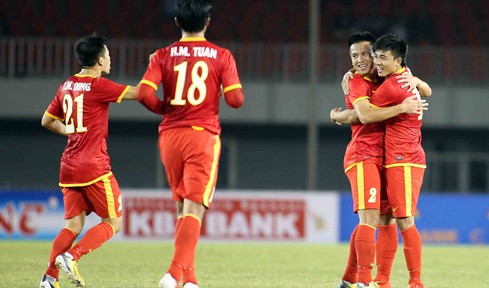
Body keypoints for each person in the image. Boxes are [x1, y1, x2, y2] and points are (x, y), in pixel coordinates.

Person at [136, 1, 244, 287]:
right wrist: (221, 88)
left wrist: (165, 108)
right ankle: (173, 273)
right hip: (202, 135)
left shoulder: (162, 55)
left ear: (176, 22)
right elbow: (236, 100)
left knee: (182, 208)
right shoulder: (221, 56)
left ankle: (190, 277)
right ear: (207, 22)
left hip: (170, 135)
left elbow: (144, 93)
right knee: (195, 208)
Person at [330, 32, 430, 288]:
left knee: (384, 220)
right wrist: (338, 115)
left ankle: (367, 279)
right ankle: (364, 280)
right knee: (371, 219)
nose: (362, 60)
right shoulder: (358, 82)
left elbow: (426, 91)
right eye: (355, 56)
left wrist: (418, 81)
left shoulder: (392, 78)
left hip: (389, 157)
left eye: (368, 54)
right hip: (364, 153)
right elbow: (363, 115)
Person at [39, 34, 139, 288]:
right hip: (93, 166)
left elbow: (47, 121)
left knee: (73, 224)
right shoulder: (98, 85)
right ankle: (72, 256)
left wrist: (71, 132)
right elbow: (140, 93)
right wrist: (156, 69)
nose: (109, 58)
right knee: (114, 222)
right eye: (107, 54)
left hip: (68, 166)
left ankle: (49, 279)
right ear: (98, 59)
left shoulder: (66, 85)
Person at [371, 33, 427, 288]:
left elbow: (364, 114)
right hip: (393, 157)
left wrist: (337, 114)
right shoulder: (406, 74)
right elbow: (427, 90)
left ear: (398, 60)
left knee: (404, 219)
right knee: (385, 218)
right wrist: (418, 82)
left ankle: (416, 282)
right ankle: (382, 281)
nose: (377, 63)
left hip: (404, 159)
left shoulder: (391, 87)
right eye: (375, 57)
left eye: (383, 58)